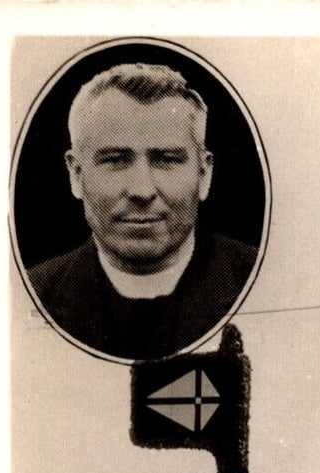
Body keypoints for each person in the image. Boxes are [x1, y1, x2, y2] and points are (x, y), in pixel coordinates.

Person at [27, 63, 257, 360]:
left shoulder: (261, 279)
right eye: (115, 160)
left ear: (204, 174)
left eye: (166, 160)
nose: (141, 190)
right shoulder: (31, 294)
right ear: (76, 174)